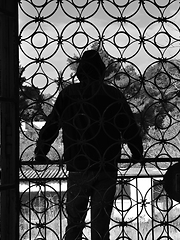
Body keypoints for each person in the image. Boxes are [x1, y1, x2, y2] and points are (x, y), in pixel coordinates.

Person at [34, 50, 143, 240]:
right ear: (101, 71)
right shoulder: (112, 94)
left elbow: (52, 125)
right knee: (101, 226)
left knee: (74, 223)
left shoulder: (69, 94)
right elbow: (129, 127)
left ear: (80, 72)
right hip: (106, 165)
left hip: (79, 165)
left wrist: (41, 151)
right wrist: (137, 153)